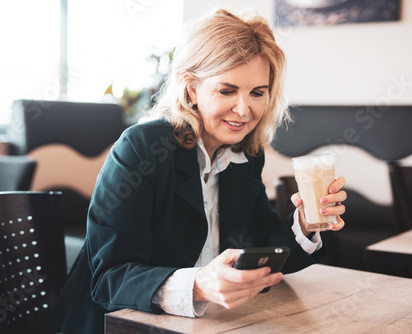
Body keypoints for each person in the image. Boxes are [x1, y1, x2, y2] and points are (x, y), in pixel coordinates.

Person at [55, 8, 347, 333]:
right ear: (192, 89)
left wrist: (304, 224)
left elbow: (262, 253)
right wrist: (197, 284)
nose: (243, 109)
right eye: (227, 90)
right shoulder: (141, 150)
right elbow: (110, 279)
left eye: (257, 93)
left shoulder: (245, 155)